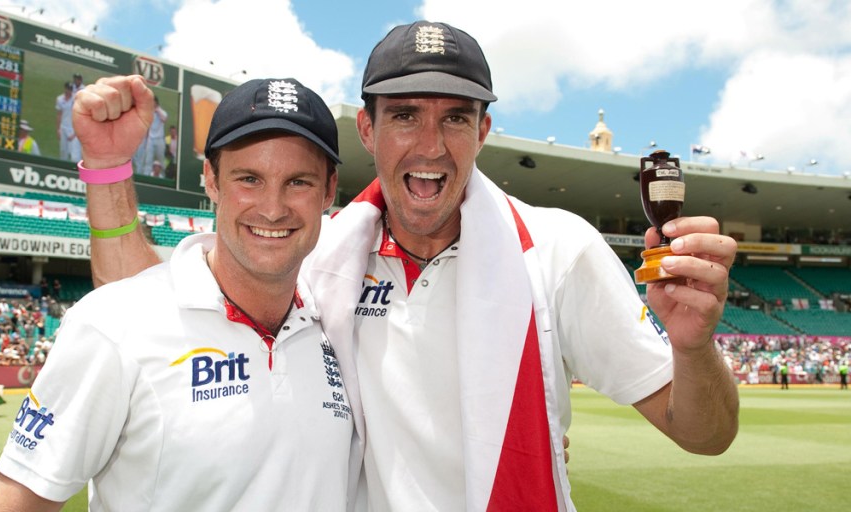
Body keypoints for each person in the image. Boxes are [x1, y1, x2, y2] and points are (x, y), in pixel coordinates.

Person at [83, 21, 739, 511]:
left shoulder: (556, 251)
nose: (430, 146)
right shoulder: (317, 255)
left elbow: (704, 434)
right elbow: (144, 313)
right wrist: (110, 169)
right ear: (366, 131)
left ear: (483, 132)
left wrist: (695, 349)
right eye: (404, 116)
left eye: (455, 118)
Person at [0, 76, 350, 511]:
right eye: (249, 178)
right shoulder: (110, 324)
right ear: (211, 180)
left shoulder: (339, 317)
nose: (272, 208)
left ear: (329, 190)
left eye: (299, 182)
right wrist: (106, 164)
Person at [55, 82, 82, 162]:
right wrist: (58, 129)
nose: (68, 91)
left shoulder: (75, 99)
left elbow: (79, 116)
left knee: (75, 154)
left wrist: (75, 133)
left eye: (70, 89)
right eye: (67, 89)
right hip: (63, 127)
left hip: (73, 128)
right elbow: (59, 114)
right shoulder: (60, 99)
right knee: (63, 151)